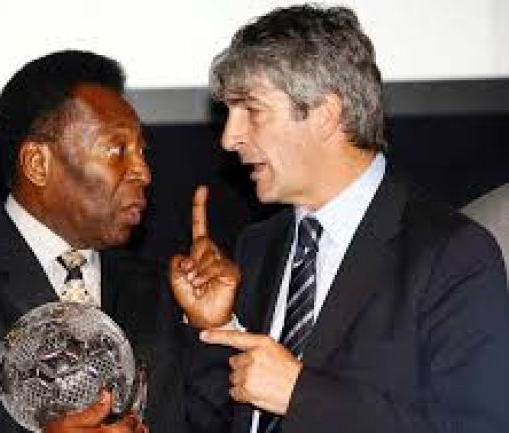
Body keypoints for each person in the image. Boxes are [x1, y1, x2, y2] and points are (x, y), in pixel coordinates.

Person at [170, 4, 509, 433]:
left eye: (251, 110)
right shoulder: (258, 247)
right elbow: (219, 420)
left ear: (325, 115)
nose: (229, 138)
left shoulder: (451, 255)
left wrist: (300, 396)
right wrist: (214, 328)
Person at [0, 50, 188, 433]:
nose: (143, 172)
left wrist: (216, 327)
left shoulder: (161, 291)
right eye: (117, 150)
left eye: (141, 153)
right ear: (37, 163)